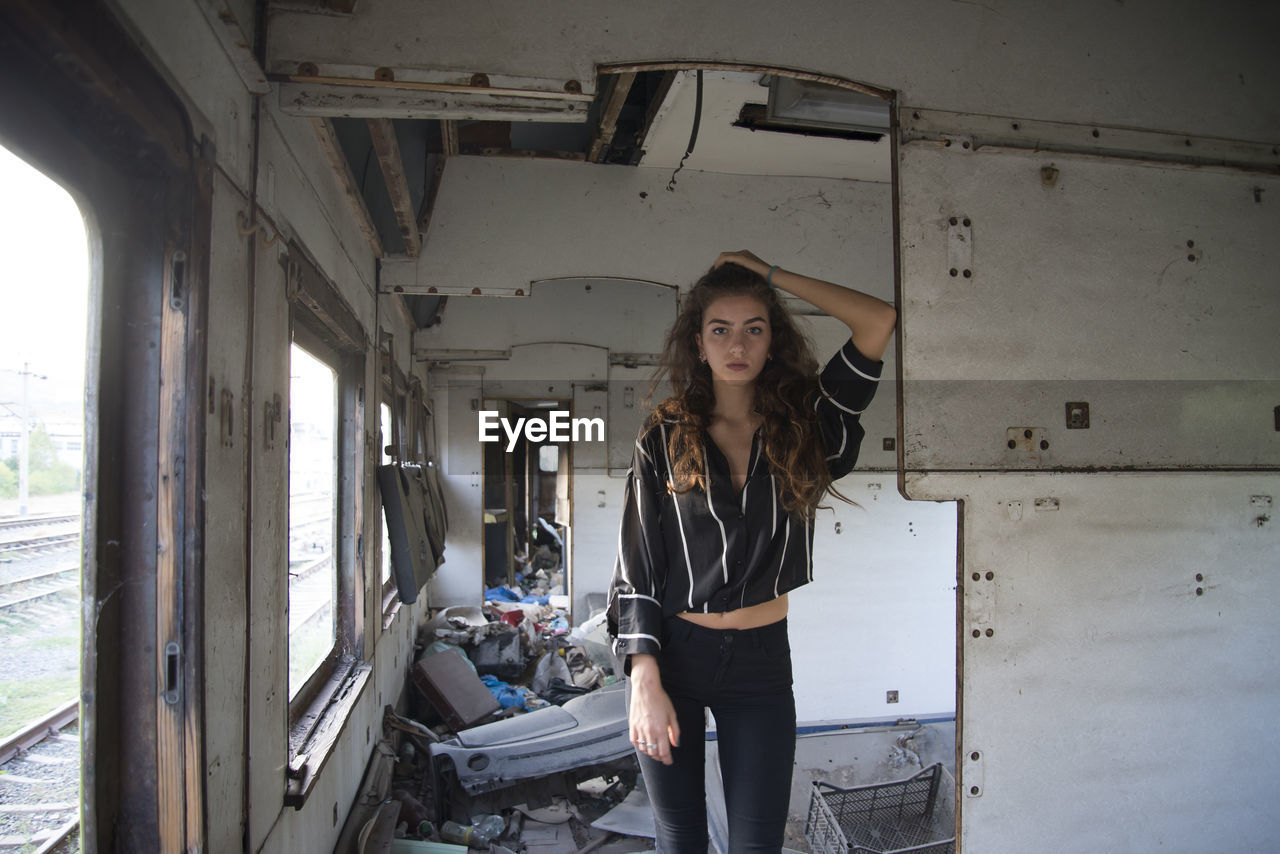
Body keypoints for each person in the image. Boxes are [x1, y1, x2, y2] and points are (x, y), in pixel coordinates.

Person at [606, 250, 896, 853]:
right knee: (680, 840)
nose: (737, 344)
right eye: (721, 329)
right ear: (699, 341)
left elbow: (876, 320)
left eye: (754, 329)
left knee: (756, 845)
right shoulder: (664, 433)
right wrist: (643, 679)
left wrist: (770, 276)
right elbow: (637, 564)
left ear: (773, 341)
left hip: (762, 664)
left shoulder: (810, 423)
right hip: (674, 654)